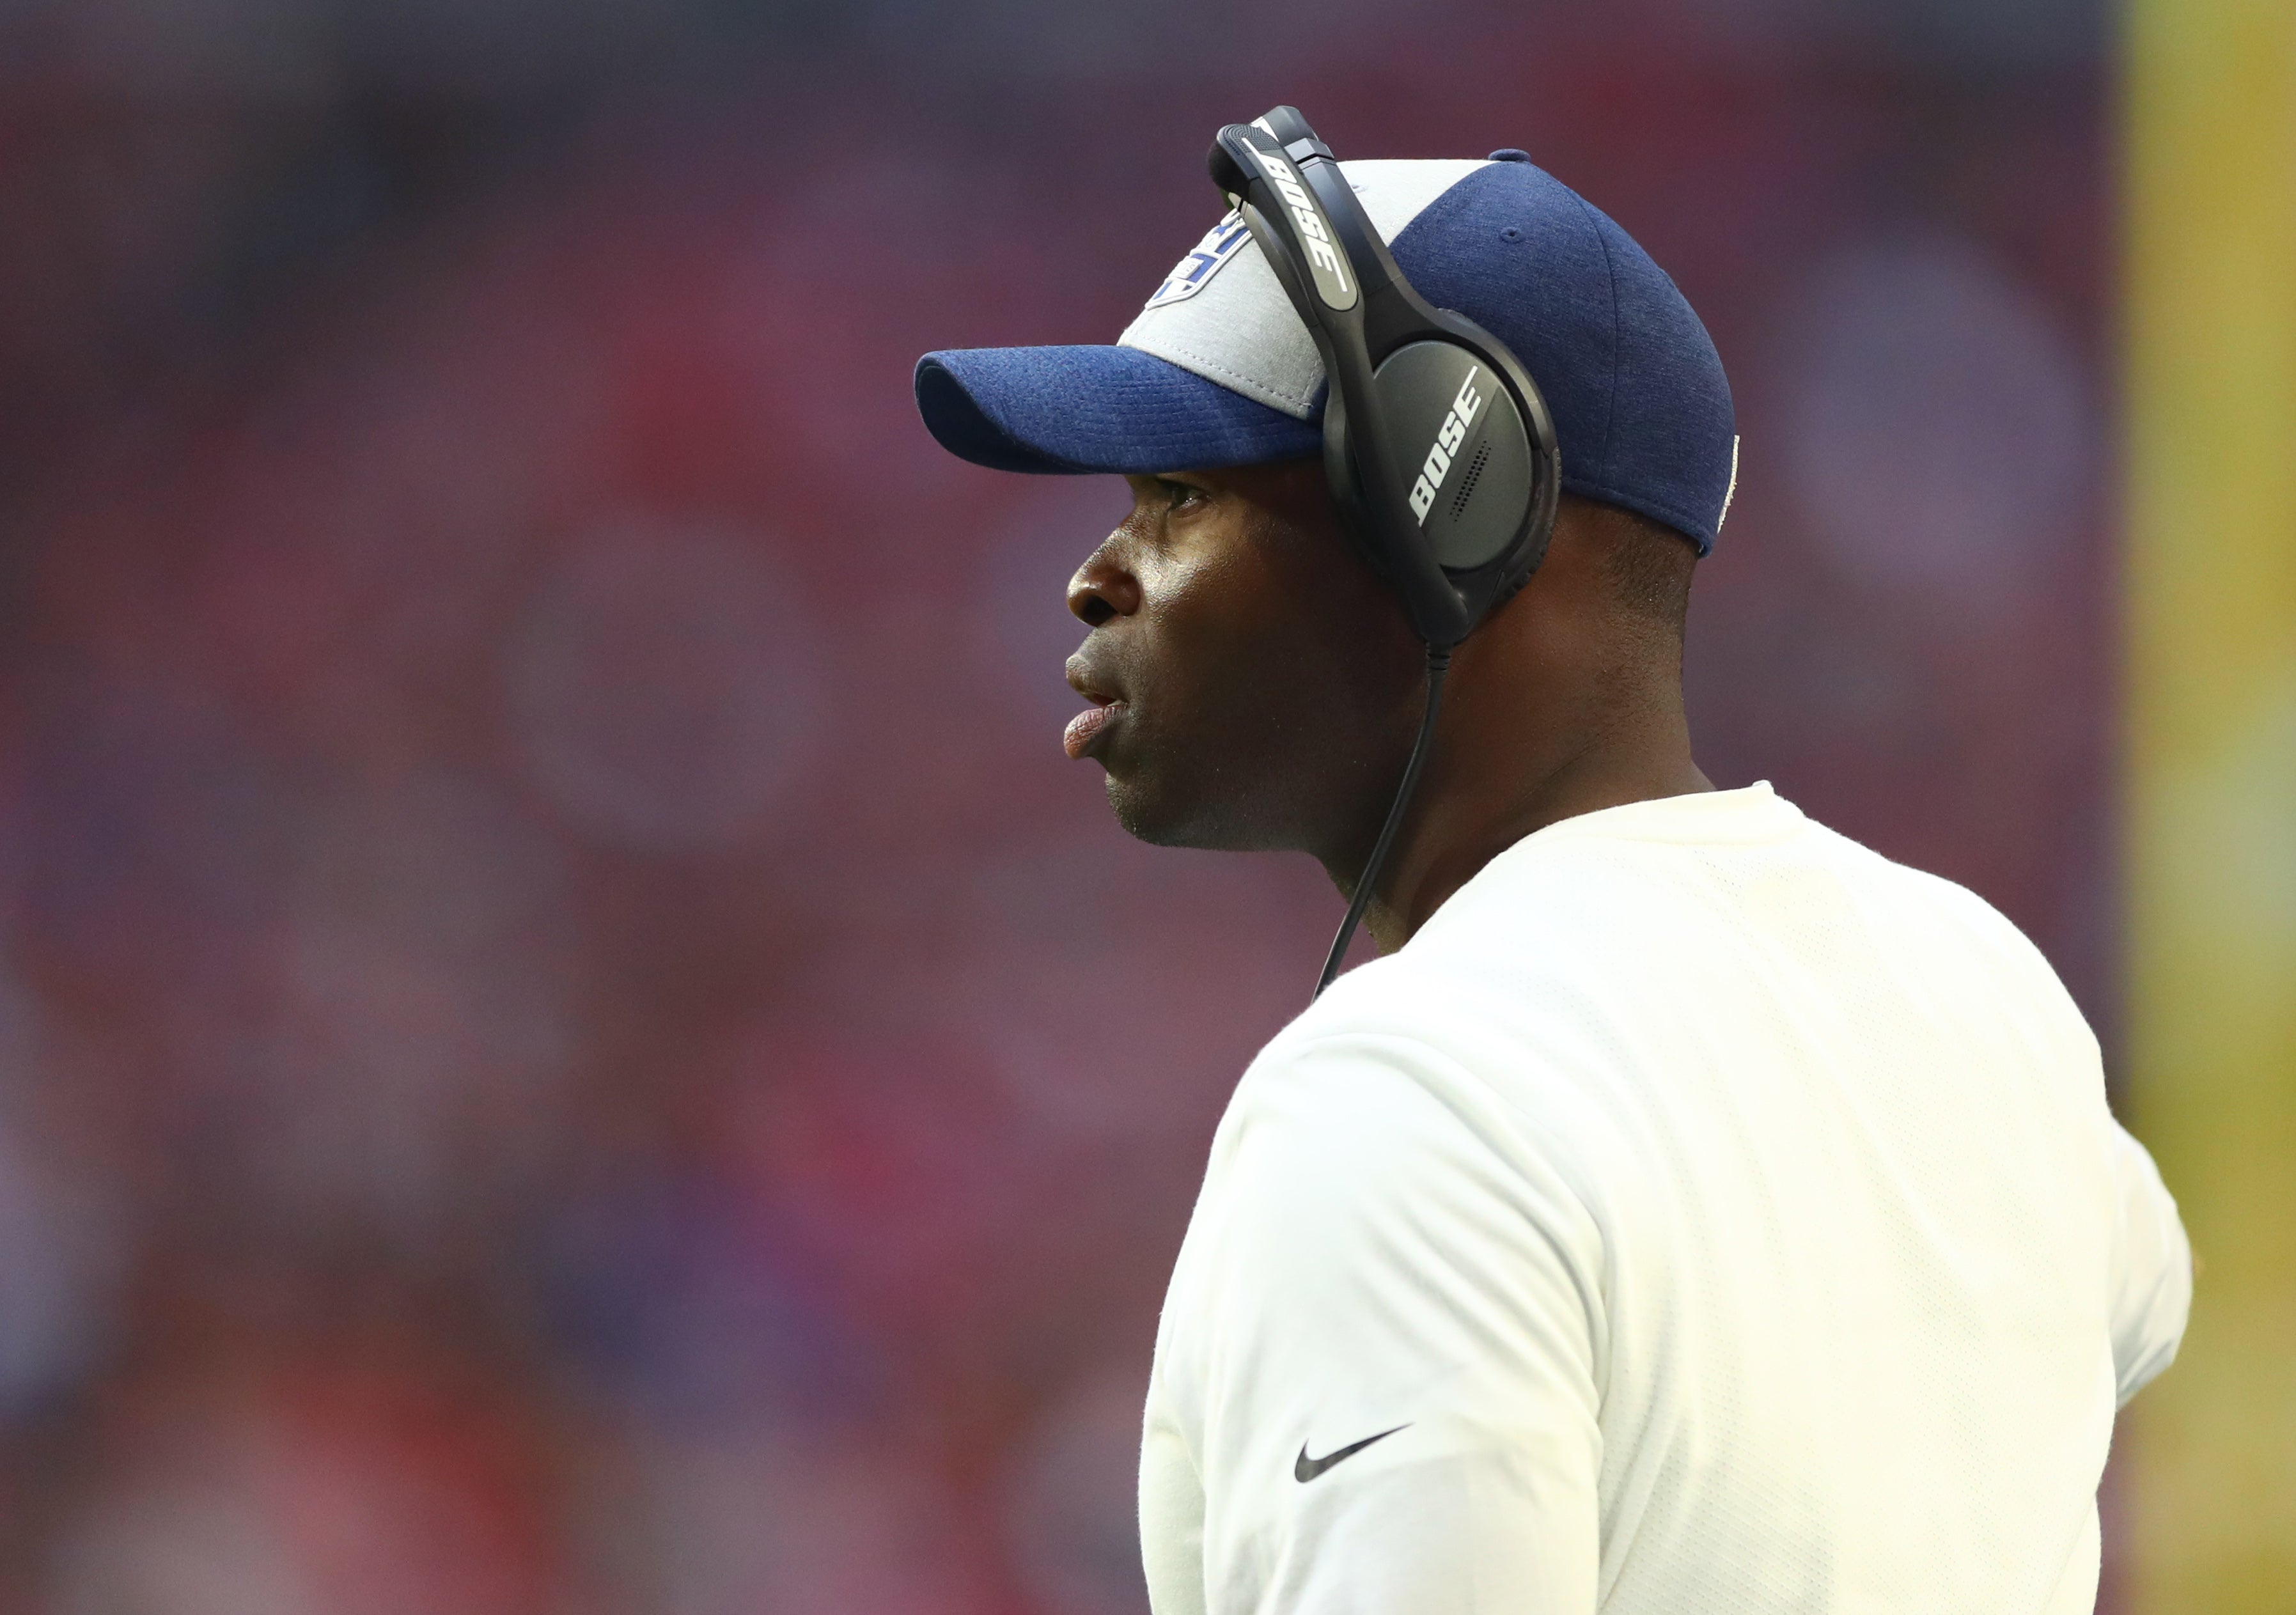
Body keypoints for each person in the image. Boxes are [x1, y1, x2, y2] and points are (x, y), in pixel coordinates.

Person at [913, 134, 2189, 1614]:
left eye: (1179, 492)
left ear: (1451, 503)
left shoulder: (1405, 1098)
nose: (1095, 570)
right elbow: (2132, 1291)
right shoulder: (1979, 986)